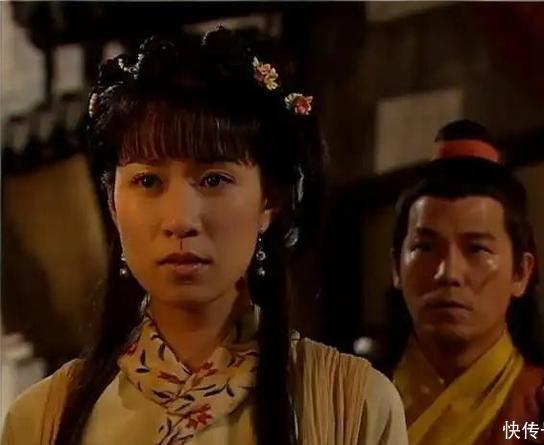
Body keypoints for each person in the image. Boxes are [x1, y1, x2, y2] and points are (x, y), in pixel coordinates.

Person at [2, 29, 407, 445]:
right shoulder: (42, 419)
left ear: (269, 200)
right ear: (112, 204)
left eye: (214, 179)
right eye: (148, 181)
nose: (180, 220)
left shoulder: (353, 403)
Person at [390, 120, 544, 445]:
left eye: (477, 249)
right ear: (396, 266)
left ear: (521, 272)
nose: (448, 273)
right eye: (425, 247)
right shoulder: (345, 400)